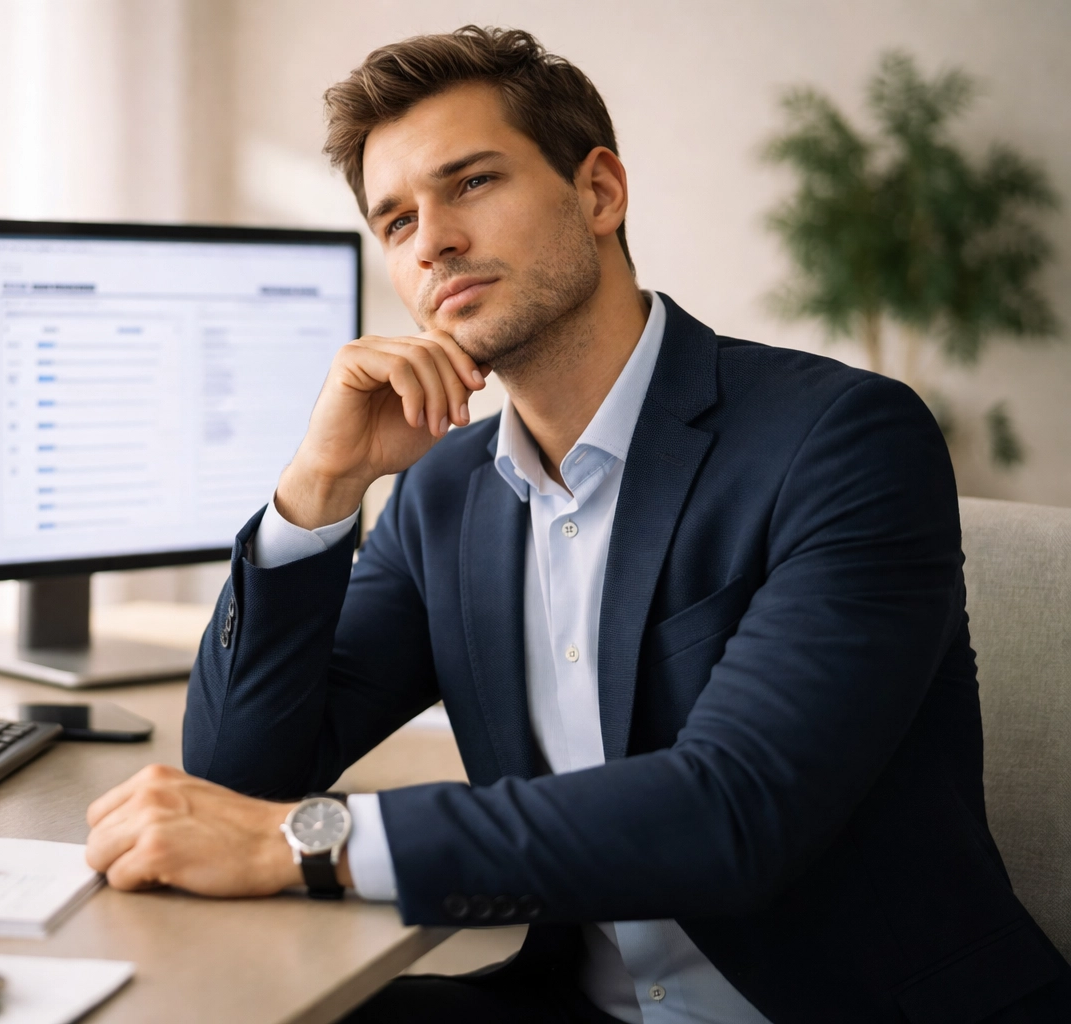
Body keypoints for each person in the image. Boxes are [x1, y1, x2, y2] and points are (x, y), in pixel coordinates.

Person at [83, 25, 1071, 1023]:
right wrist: (320, 482)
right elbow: (238, 784)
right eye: (395, 222)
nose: (432, 242)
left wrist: (311, 842)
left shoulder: (842, 438)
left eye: (471, 183)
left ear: (599, 192)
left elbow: (731, 811)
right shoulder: (446, 492)